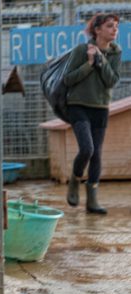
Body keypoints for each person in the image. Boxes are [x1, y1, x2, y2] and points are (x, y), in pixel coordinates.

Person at [64, 13, 121, 214]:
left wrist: (101, 61)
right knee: (86, 149)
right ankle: (75, 178)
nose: (114, 30)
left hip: (100, 108)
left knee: (96, 154)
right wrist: (89, 63)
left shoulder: (115, 53)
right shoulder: (81, 50)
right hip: (78, 106)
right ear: (97, 30)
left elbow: (112, 81)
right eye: (109, 26)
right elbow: (68, 79)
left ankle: (92, 200)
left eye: (116, 27)